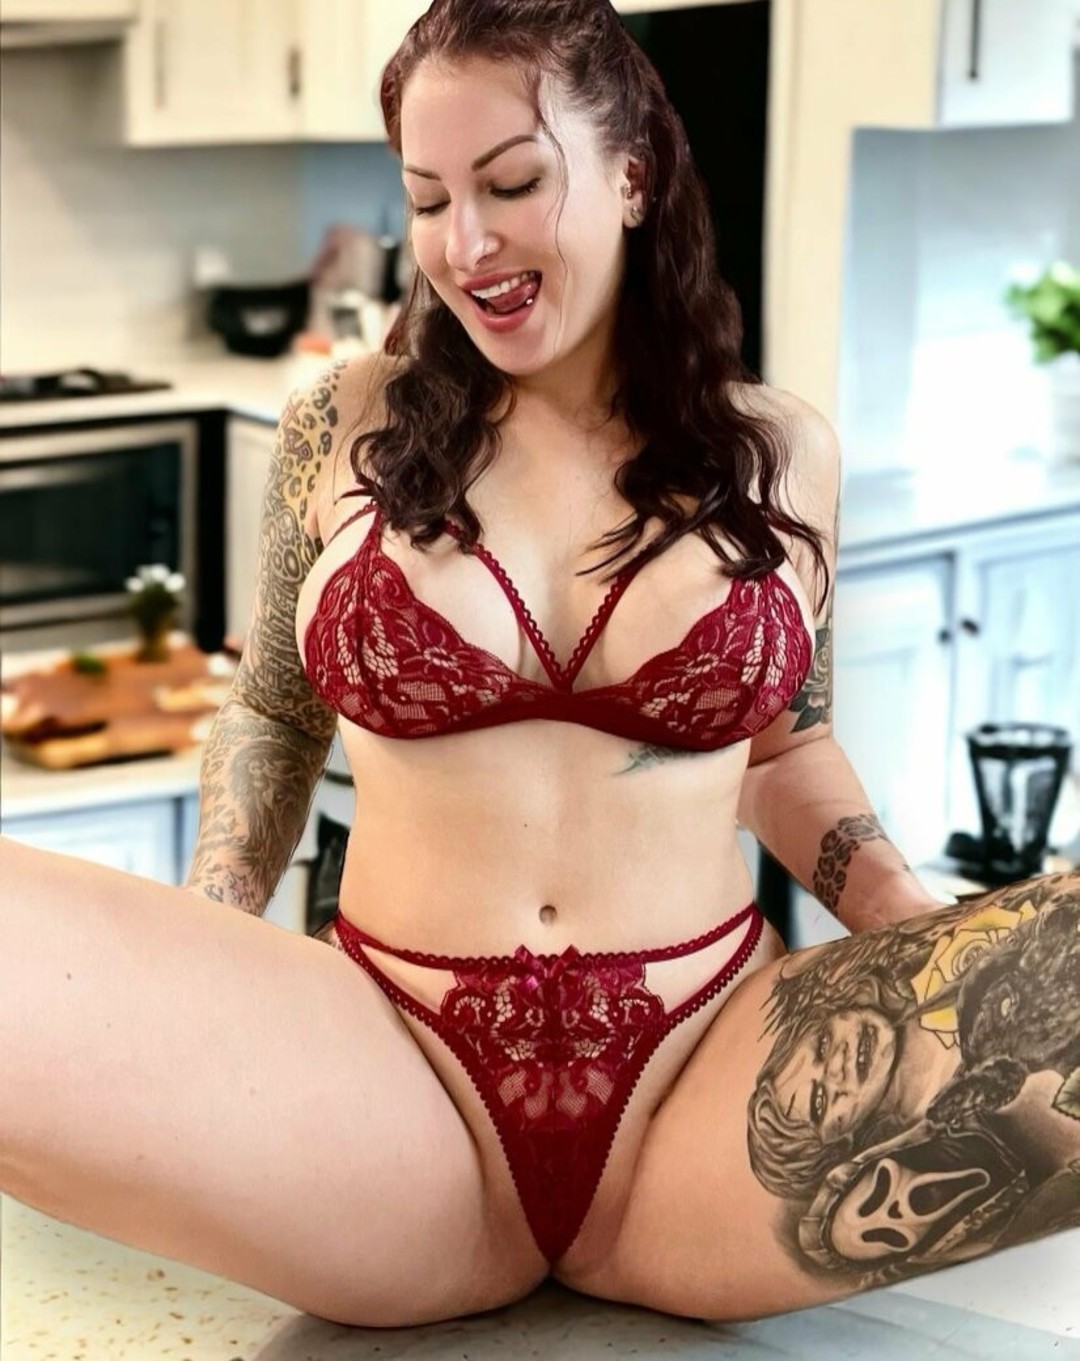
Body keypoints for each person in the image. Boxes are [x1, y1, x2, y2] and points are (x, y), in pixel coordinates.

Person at [2, 0, 1077, 1331]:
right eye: (428, 199)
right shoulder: (340, 421)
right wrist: (209, 942)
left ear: (633, 175)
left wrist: (923, 934)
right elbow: (275, 714)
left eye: (511, 184)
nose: (466, 245)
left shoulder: (784, 453)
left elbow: (785, 751)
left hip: (711, 1089)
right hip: (388, 1076)